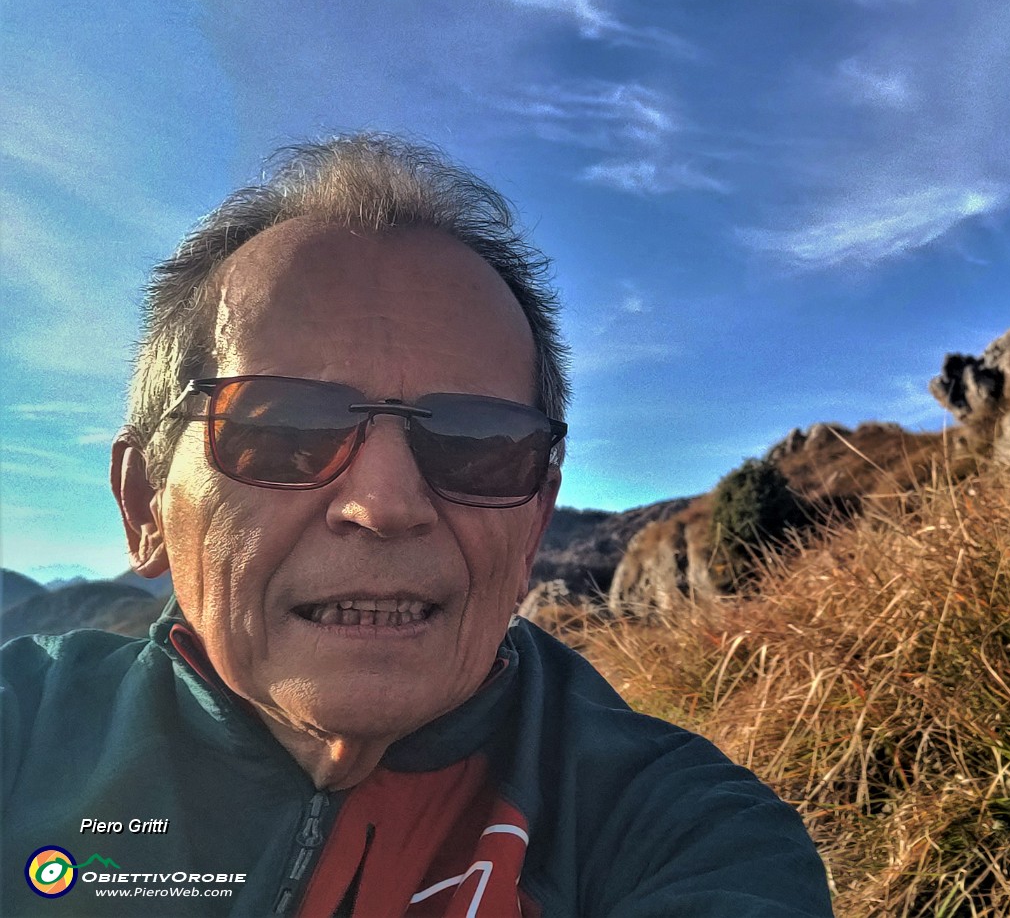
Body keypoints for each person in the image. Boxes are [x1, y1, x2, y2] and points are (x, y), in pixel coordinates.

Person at [1, 136, 834, 917]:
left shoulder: (680, 832)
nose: (387, 504)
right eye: (285, 432)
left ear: (535, 521)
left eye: (479, 445)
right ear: (145, 503)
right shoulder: (22, 728)